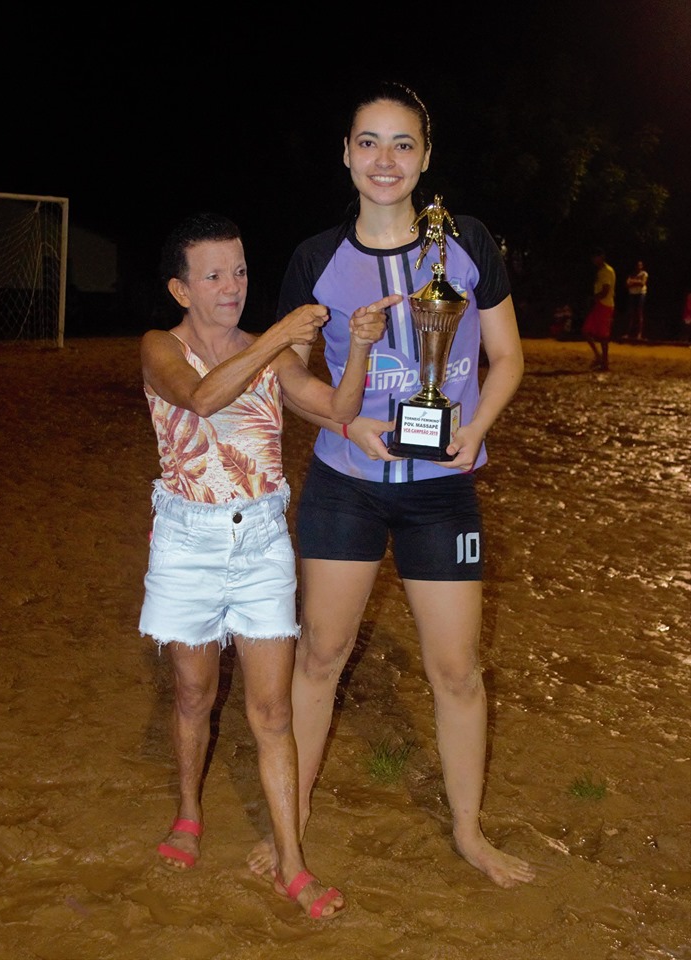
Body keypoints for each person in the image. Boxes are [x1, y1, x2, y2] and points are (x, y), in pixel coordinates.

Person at [247, 80, 535, 889]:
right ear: (345, 154)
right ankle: (291, 821)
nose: (385, 160)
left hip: (442, 491)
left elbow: (506, 357)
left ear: (425, 157)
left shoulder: (466, 242)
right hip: (347, 483)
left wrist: (473, 432)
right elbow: (286, 371)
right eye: (368, 142)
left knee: (455, 670)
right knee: (320, 656)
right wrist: (343, 423)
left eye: (402, 144)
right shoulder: (314, 258)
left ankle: (470, 832)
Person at [138, 211, 399, 919]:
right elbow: (199, 397)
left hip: (259, 541)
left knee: (273, 709)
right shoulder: (159, 345)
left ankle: (290, 863)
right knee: (193, 694)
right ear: (180, 289)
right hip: (187, 541)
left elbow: (336, 408)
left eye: (241, 270)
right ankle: (189, 812)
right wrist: (283, 336)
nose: (232, 285)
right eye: (214, 274)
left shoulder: (268, 351)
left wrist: (357, 353)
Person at [582, 248, 616, 371]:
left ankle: (603, 361)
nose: (593, 260)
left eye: (595, 257)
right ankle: (600, 358)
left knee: (602, 336)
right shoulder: (603, 270)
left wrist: (593, 298)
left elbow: (605, 291)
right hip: (602, 304)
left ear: (601, 257)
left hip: (604, 305)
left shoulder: (605, 271)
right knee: (588, 331)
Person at [624, 259, 649, 340]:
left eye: (640, 265)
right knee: (631, 313)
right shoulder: (631, 274)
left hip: (641, 294)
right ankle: (628, 333)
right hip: (632, 294)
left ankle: (639, 334)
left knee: (639, 313)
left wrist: (633, 282)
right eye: (637, 265)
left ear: (642, 266)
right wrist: (637, 281)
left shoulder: (644, 273)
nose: (638, 267)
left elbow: (642, 283)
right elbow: (627, 285)